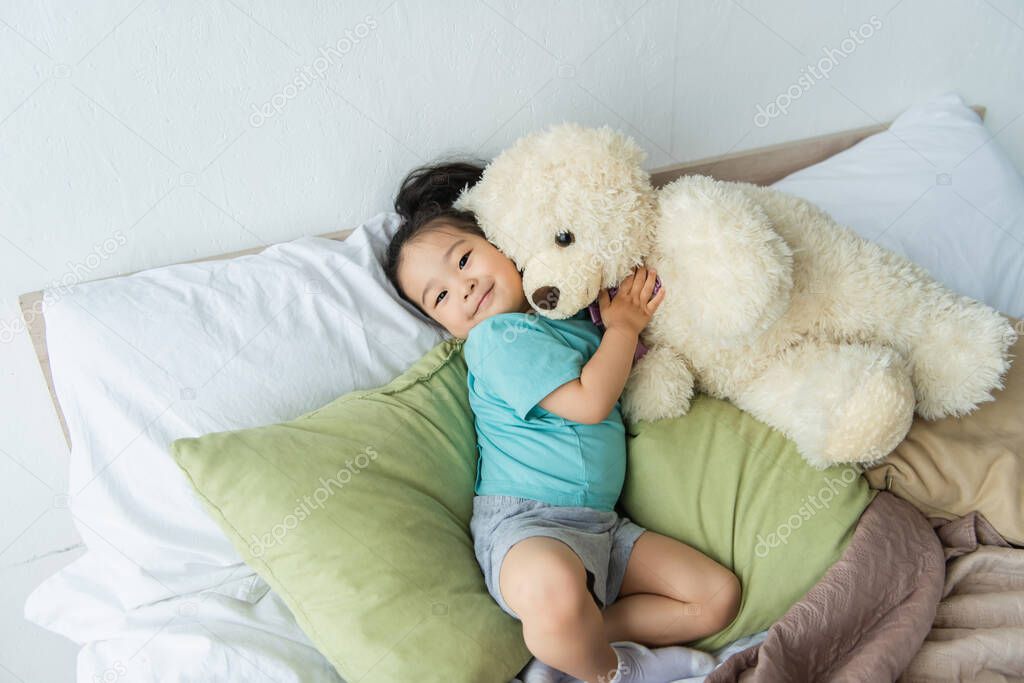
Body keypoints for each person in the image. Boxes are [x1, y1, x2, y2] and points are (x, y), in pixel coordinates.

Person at [383, 161, 741, 683]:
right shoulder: (495, 340)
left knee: (717, 597)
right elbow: (590, 401)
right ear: (444, 326)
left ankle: (575, 646)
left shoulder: (560, 314)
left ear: (503, 242)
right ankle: (612, 673)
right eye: (439, 296)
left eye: (464, 260)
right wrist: (624, 325)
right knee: (552, 587)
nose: (461, 288)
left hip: (600, 525)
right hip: (526, 526)